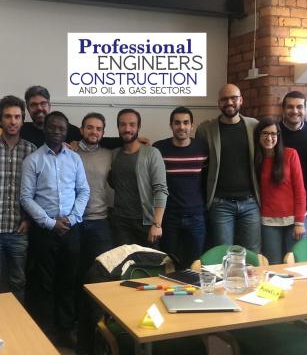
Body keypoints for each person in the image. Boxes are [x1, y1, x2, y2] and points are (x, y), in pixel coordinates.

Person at [20, 111, 90, 346]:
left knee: (68, 282)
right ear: (44, 129)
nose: (57, 132)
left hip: (71, 229)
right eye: (52, 127)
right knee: (44, 284)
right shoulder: (33, 160)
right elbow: (26, 197)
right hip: (45, 231)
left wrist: (72, 218)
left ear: (66, 131)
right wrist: (51, 223)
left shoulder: (75, 159)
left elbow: (84, 191)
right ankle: (47, 332)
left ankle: (66, 330)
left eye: (61, 128)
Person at [0, 95, 36, 302]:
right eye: (8, 116)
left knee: (18, 281)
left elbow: (37, 191)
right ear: (0, 119)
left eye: (17, 117)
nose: (12, 121)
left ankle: (17, 320)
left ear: (23, 120)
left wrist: (29, 219)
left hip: (19, 229)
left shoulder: (31, 150)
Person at [195, 84, 261, 252]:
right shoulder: (206, 130)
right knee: (223, 253)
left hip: (250, 202)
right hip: (220, 204)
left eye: (233, 98)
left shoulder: (254, 126)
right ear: (219, 103)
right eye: (224, 99)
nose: (229, 102)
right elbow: (198, 161)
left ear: (241, 100)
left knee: (252, 253)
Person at [154, 106, 208, 269]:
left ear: (192, 125)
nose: (181, 127)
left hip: (196, 215)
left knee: (195, 264)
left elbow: (208, 179)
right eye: (177, 123)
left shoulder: (203, 147)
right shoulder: (159, 149)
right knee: (169, 263)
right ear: (171, 125)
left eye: (186, 122)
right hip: (169, 217)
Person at [109, 109, 168, 248]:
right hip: (120, 222)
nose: (127, 129)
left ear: (139, 127)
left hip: (146, 223)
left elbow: (161, 189)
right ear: (118, 127)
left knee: (149, 260)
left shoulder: (151, 153)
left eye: (132, 124)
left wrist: (157, 224)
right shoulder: (114, 154)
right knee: (124, 261)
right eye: (123, 124)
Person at [254, 117, 306, 265]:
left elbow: (300, 190)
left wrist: (299, 222)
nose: (269, 138)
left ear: (278, 136)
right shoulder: (256, 160)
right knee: (274, 265)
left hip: (294, 220)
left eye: (273, 134)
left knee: (295, 265)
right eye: (265, 133)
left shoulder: (290, 154)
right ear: (258, 135)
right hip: (269, 222)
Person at [75, 113, 114, 273]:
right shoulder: (70, 153)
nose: (94, 132)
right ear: (81, 130)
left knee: (102, 270)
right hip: (74, 221)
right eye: (90, 127)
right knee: (75, 269)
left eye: (99, 129)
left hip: (100, 221)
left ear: (103, 133)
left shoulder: (109, 155)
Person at [279, 90, 307, 236]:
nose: (295, 111)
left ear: (305, 109)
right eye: (290, 107)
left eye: (299, 107)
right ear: (283, 109)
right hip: (282, 200)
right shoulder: (274, 132)